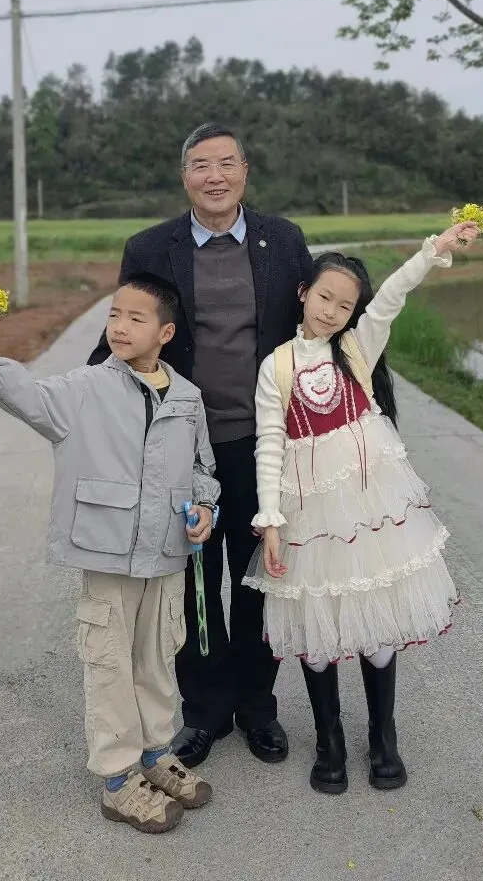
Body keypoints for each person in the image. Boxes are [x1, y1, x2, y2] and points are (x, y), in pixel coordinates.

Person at [89, 123, 315, 770]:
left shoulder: (284, 240)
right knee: (193, 583)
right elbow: (125, 334)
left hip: (263, 446)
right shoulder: (150, 248)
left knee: (260, 579)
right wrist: (83, 406)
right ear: (184, 175)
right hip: (181, 451)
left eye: (225, 163)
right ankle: (206, 708)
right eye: (200, 165)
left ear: (245, 171)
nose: (214, 176)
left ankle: (258, 707)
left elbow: (319, 327)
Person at [0, 275, 220, 834]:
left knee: (157, 658)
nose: (119, 327)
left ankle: (156, 753)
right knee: (109, 664)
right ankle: (118, 778)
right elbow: (28, 397)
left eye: (135, 318)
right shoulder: (84, 388)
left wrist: (205, 508)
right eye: (114, 315)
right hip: (108, 557)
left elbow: (203, 467)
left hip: (166, 554)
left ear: (166, 333)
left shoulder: (187, 398)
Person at [242, 222, 480, 796]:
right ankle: (330, 743)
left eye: (344, 305)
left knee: (377, 622)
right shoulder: (276, 366)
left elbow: (393, 295)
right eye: (324, 297)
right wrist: (270, 521)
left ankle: (383, 737)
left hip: (370, 511)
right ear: (304, 293)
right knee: (317, 622)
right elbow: (269, 443)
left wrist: (433, 251)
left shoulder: (356, 349)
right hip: (309, 515)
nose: (331, 311)